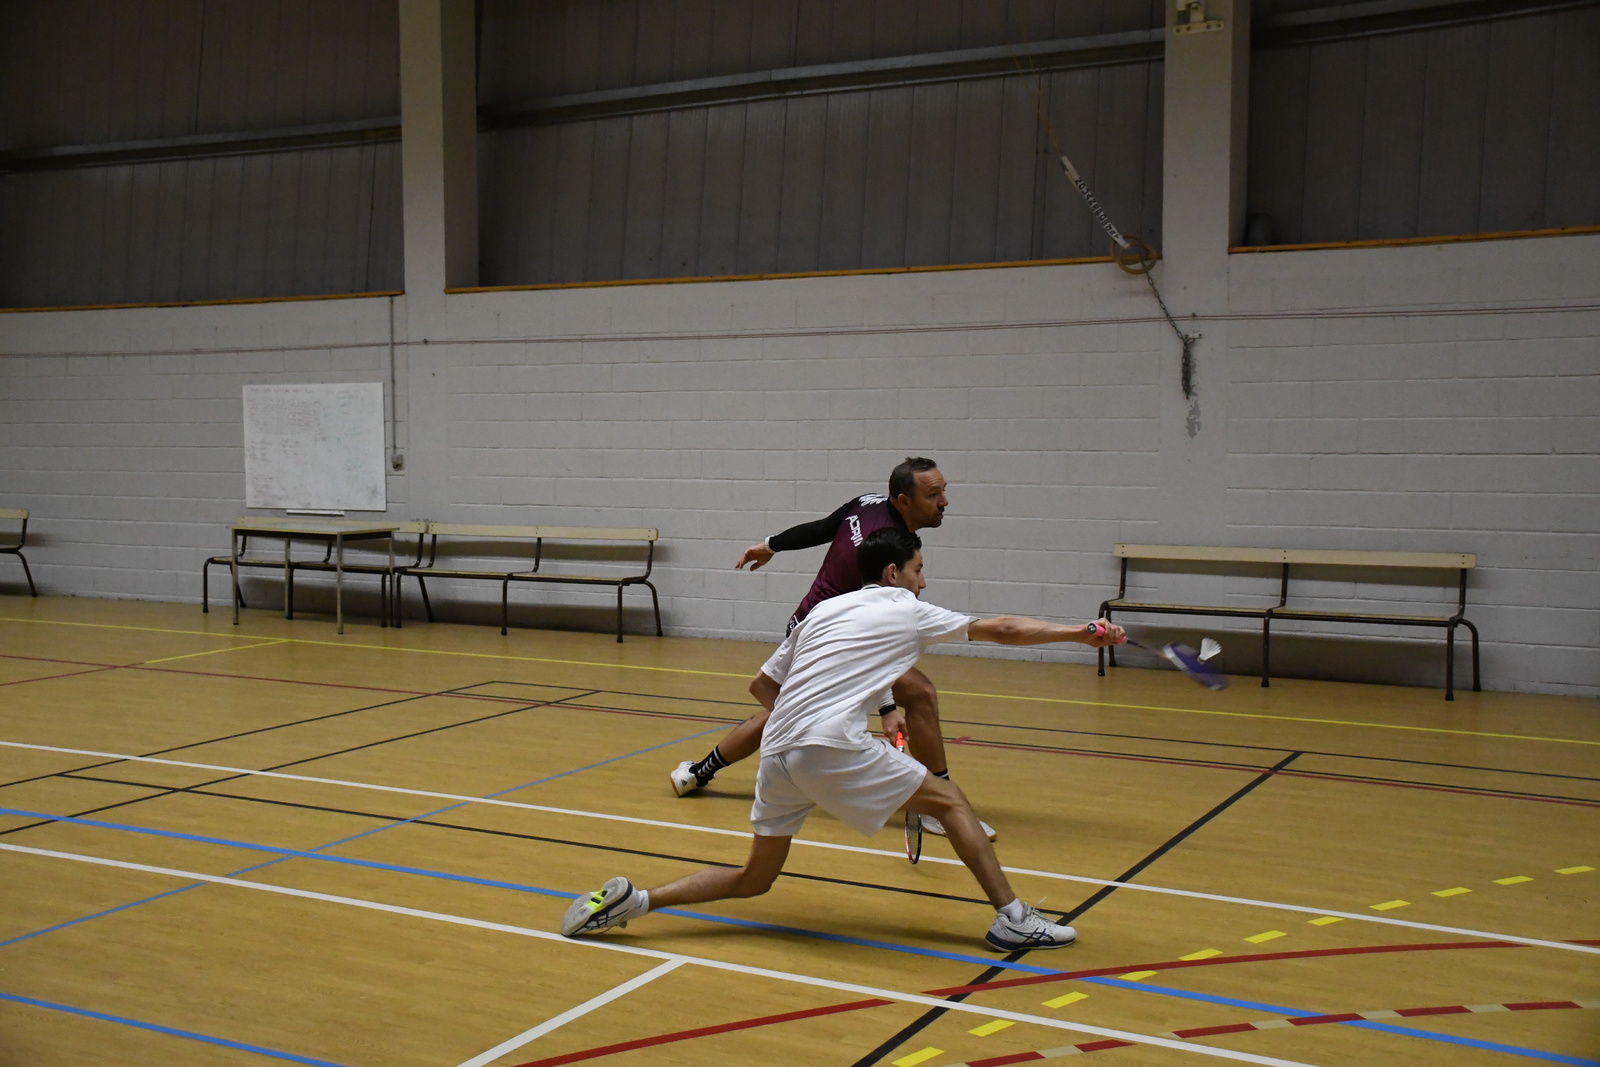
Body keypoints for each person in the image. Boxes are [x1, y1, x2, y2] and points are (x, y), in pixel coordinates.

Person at [566, 528, 1125, 952]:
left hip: (779, 751)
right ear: (893, 573)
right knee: (952, 802)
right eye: (919, 570)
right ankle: (1013, 920)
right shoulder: (906, 608)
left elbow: (762, 686)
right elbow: (1001, 628)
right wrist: (1080, 632)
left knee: (755, 878)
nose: (924, 582)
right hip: (826, 745)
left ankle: (637, 901)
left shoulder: (823, 612)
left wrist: (840, 715)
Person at [672, 457, 989, 838]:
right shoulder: (884, 554)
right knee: (919, 693)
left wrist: (770, 545)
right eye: (933, 495)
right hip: (826, 635)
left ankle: (697, 772)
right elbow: (874, 643)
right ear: (905, 501)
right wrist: (888, 709)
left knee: (787, 714)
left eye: (943, 492)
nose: (944, 502)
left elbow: (822, 528)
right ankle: (938, 807)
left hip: (812, 624)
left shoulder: (869, 502)